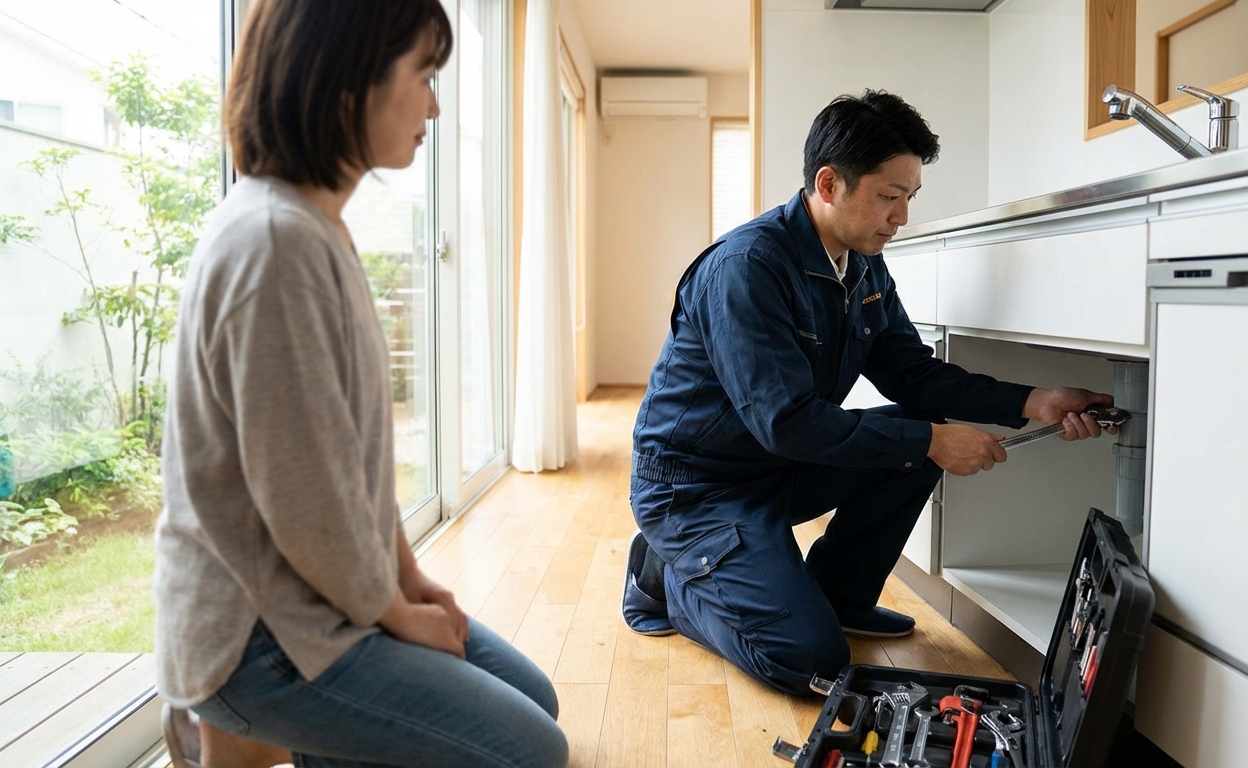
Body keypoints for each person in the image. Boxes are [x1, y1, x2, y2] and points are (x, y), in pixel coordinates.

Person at [153, 1, 568, 766]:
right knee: (529, 752)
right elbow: (304, 496)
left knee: (532, 702)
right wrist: (393, 614)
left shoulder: (316, 228)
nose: (435, 106)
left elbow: (351, 465)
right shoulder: (275, 246)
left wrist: (409, 578)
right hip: (260, 634)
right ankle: (263, 728)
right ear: (349, 85)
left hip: (313, 593)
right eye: (424, 76)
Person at [622, 90, 1116, 696]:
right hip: (697, 490)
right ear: (829, 185)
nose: (902, 216)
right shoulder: (745, 269)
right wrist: (932, 440)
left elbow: (915, 375)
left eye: (909, 197)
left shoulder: (860, 265)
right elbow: (787, 422)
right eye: (889, 196)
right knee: (813, 663)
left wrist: (1033, 400)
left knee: (920, 424)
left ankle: (839, 596)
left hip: (777, 468)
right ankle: (665, 580)